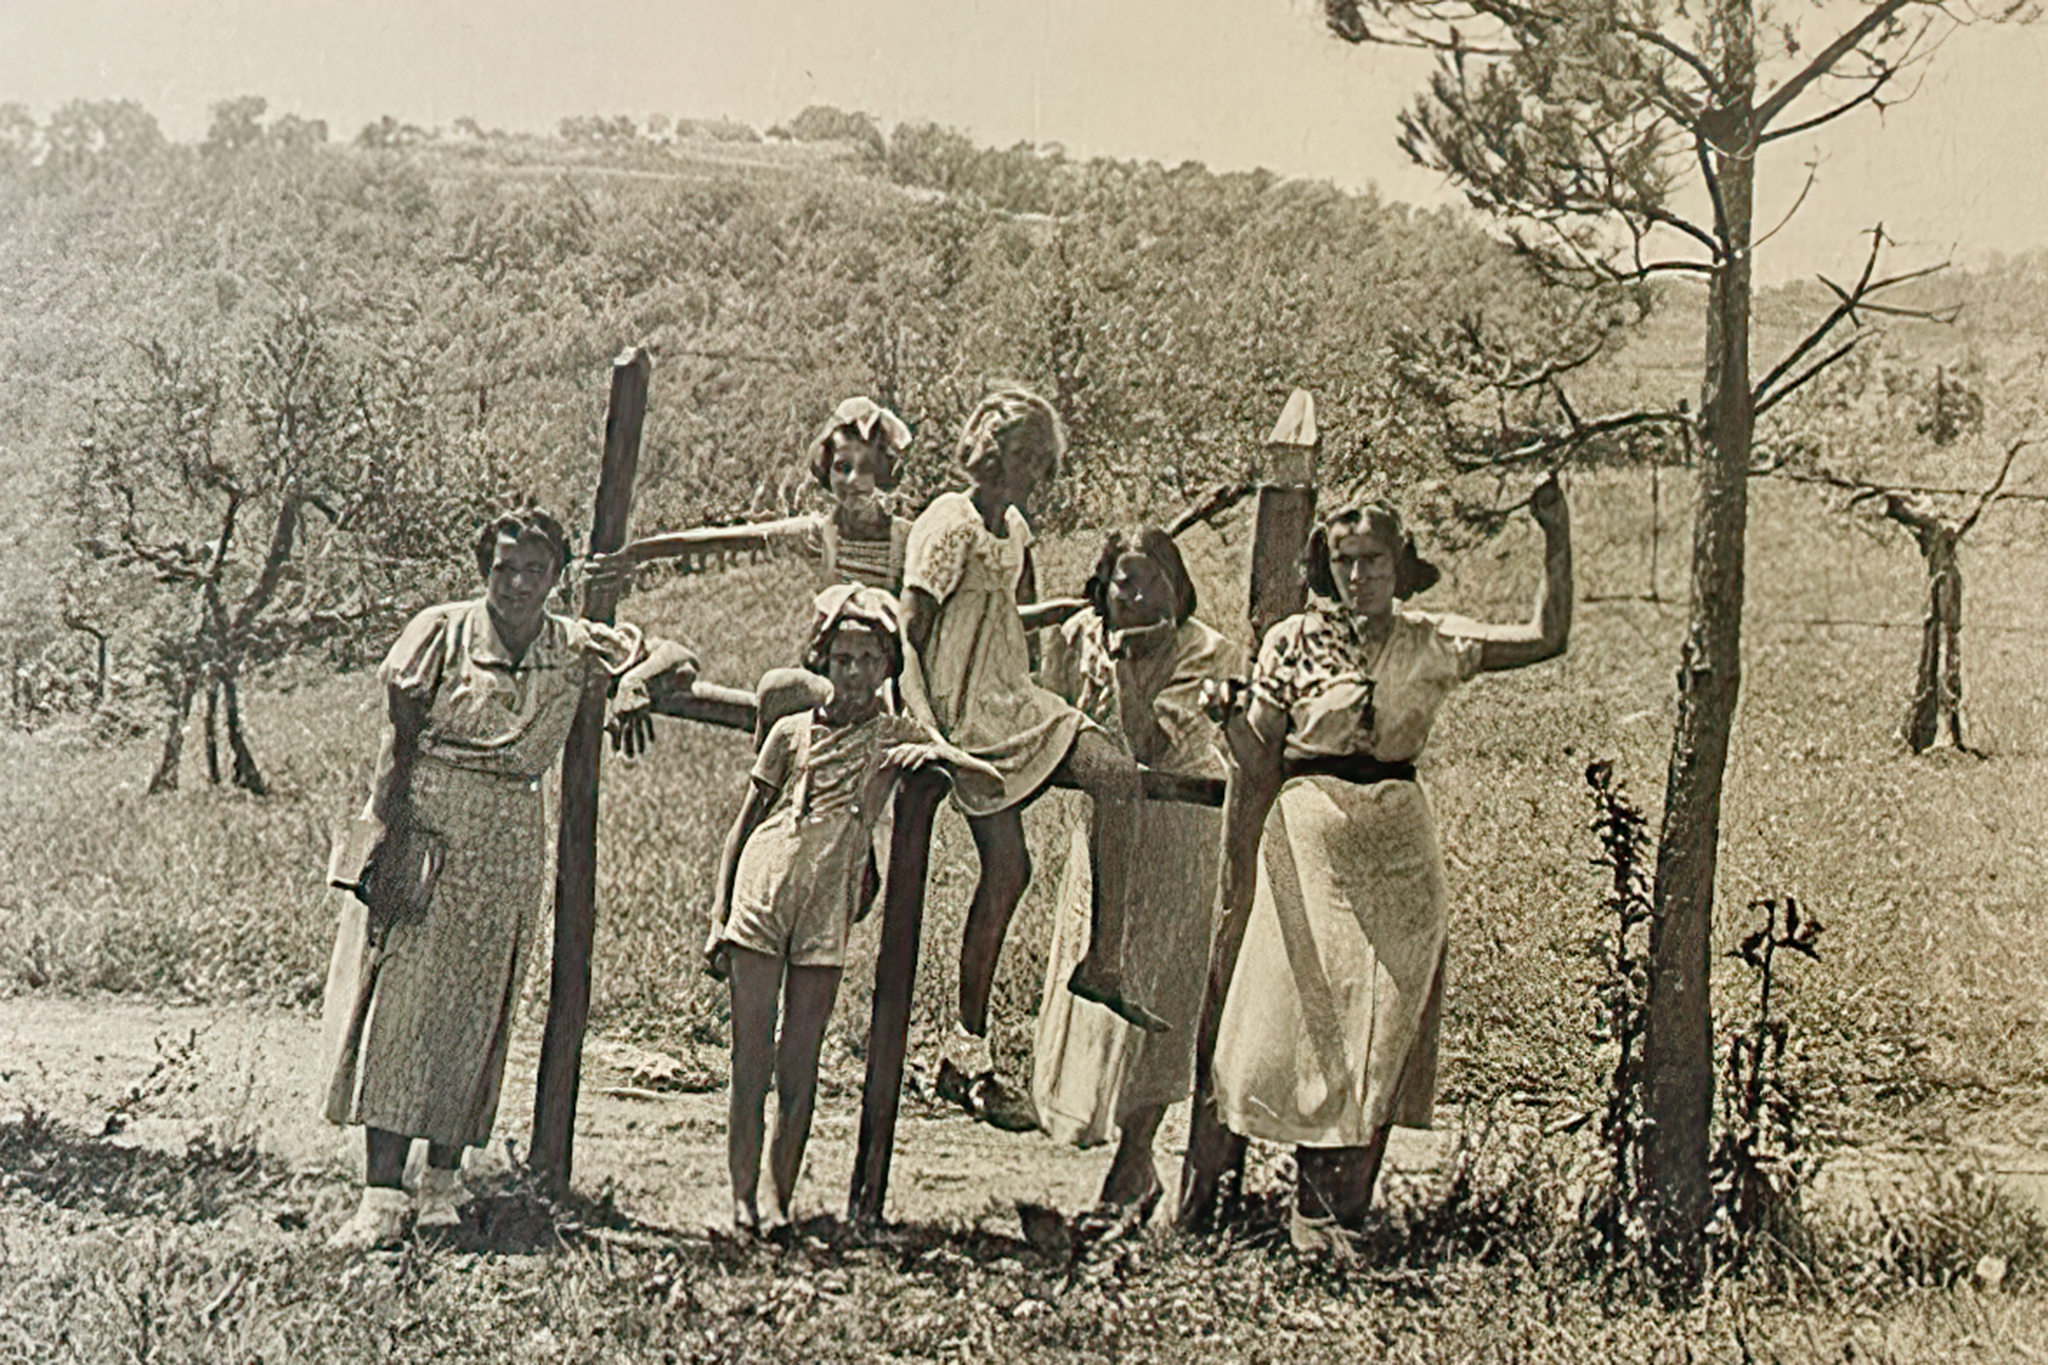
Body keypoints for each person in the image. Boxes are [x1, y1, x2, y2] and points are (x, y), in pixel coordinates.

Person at [1205, 476, 1571, 1253]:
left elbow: (1548, 634)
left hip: (1400, 843)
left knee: (1385, 1021)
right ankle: (1309, 1210)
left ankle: (1347, 1212)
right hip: (1315, 832)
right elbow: (1255, 754)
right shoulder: (1293, 642)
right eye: (1345, 561)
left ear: (1401, 564)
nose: (1360, 575)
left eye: (1374, 559)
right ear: (1327, 566)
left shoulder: (1432, 640)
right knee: (1314, 1017)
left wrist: (1557, 535)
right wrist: (1226, 717)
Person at [319, 506, 698, 1252]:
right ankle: (381, 1192)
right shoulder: (443, 629)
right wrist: (388, 835)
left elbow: (672, 653)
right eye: (504, 568)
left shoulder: (572, 644)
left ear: (558, 576)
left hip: (511, 837)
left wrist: (633, 688)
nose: (519, 584)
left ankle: (442, 1181)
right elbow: (397, 739)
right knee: (404, 1005)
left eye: (536, 570)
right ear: (482, 567)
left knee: (476, 1006)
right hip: (431, 820)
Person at [710, 585, 999, 1234]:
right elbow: (743, 824)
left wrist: (937, 754)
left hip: (829, 903)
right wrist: (716, 915)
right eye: (842, 659)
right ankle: (742, 1198)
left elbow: (988, 781)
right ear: (823, 661)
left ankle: (782, 1198)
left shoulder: (891, 733)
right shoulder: (789, 732)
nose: (855, 673)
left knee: (800, 1062)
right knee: (750, 1059)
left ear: (887, 667)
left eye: (869, 660)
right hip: (763, 888)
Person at [896, 387, 1158, 1036]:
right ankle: (968, 1042)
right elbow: (909, 630)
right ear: (995, 453)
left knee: (1117, 776)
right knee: (1010, 868)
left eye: (1044, 460)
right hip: (964, 711)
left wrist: (1068, 611)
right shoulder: (949, 522)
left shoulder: (1012, 528)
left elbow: (1004, 620)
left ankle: (1104, 960)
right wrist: (925, 727)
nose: (1037, 472)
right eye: (1027, 457)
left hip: (1012, 698)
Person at [1032, 527, 1237, 1214]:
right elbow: (1051, 719)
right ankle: (1130, 1163)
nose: (1140, 592)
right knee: (1103, 980)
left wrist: (1125, 667)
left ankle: (1135, 1157)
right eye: (1125, 578)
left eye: (1156, 578)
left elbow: (1150, 740)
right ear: (1103, 585)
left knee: (1161, 991)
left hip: (1182, 831)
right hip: (1109, 836)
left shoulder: (1201, 651)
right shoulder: (1074, 637)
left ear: (1179, 588)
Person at [599, 396, 916, 743]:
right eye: (842, 467)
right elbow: (727, 539)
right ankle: (779, 784)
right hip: (831, 673)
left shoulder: (908, 538)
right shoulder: (818, 534)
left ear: (883, 473)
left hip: (883, 679)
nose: (853, 480)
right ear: (827, 469)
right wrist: (637, 553)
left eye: (866, 468)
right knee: (778, 691)